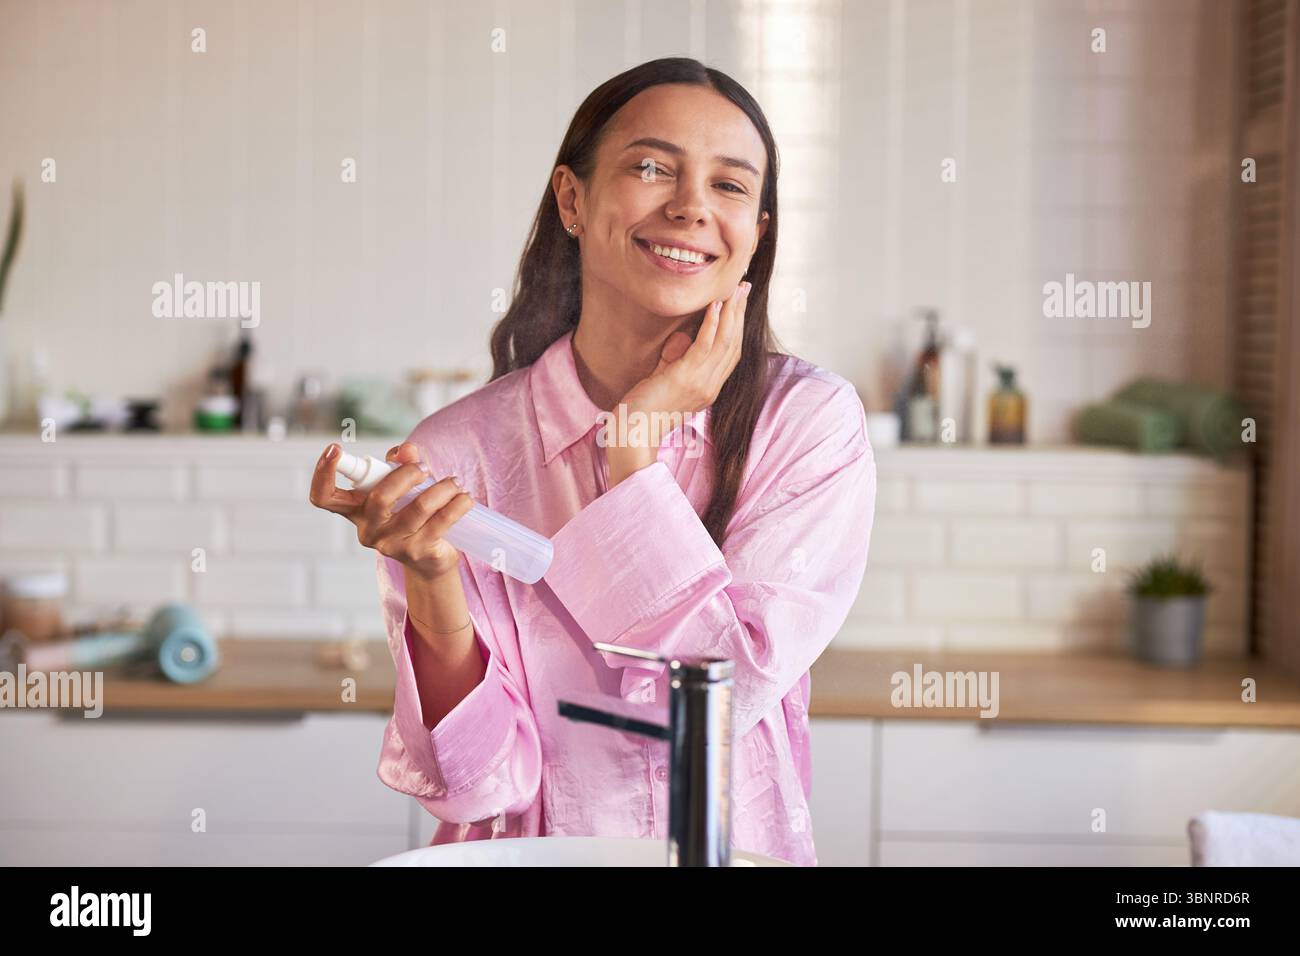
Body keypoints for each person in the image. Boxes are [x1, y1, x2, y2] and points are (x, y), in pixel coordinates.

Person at [309, 56, 875, 866]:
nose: (689, 207)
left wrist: (632, 444)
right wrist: (433, 582)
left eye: (730, 186)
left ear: (757, 232)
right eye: (651, 167)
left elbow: (718, 693)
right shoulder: (458, 451)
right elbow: (476, 785)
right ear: (571, 199)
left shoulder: (807, 424)